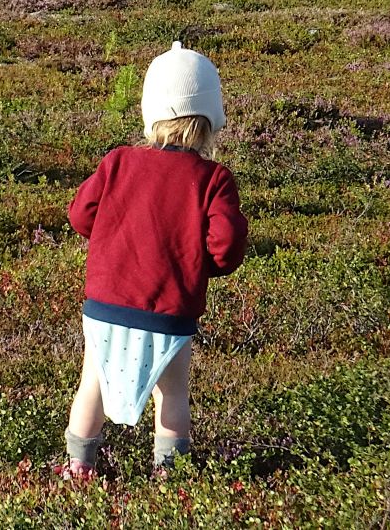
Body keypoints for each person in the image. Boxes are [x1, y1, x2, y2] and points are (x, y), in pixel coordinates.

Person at [61, 42, 249, 478]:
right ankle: (169, 476)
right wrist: (197, 263)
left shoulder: (118, 162)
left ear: (151, 113)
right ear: (210, 120)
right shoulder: (214, 179)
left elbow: (80, 215)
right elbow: (224, 247)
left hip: (106, 305)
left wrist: (113, 238)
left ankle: (78, 468)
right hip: (170, 312)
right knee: (173, 393)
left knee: (93, 384)